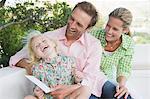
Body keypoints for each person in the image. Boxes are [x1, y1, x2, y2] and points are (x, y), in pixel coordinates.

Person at [9, 1, 107, 99]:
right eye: (72, 19)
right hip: (49, 93)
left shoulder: (94, 45)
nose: (72, 25)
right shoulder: (47, 39)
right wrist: (34, 68)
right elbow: (15, 59)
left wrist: (69, 89)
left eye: (79, 24)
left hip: (75, 92)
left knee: (85, 89)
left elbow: (89, 79)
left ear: (87, 29)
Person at [23, 31, 86, 99]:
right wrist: (37, 91)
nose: (41, 44)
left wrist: (78, 78)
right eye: (37, 46)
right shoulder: (37, 68)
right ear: (36, 55)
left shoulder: (69, 60)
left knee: (85, 89)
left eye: (44, 41)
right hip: (49, 97)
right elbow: (38, 86)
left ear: (53, 43)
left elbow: (75, 80)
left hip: (68, 96)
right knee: (28, 98)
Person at [91, 7, 134, 99]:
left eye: (115, 29)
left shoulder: (128, 43)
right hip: (89, 81)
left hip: (107, 82)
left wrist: (121, 85)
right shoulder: (93, 36)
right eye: (108, 26)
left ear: (125, 30)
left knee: (124, 96)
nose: (109, 31)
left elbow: (124, 68)